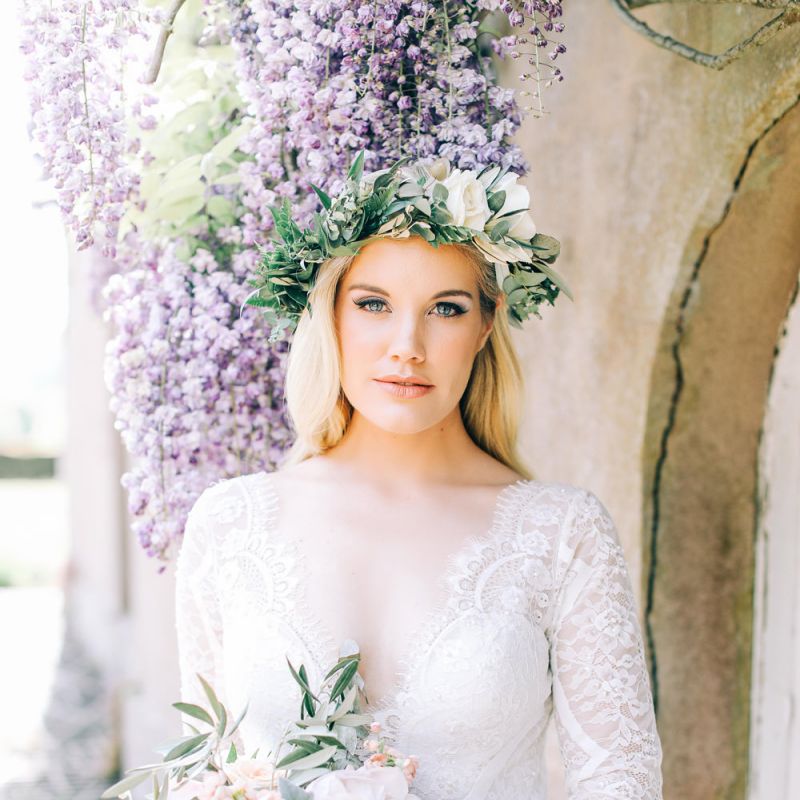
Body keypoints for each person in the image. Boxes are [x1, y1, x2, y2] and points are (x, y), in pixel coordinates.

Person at [174, 153, 663, 799]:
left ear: (487, 325)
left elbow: (619, 781)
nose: (408, 343)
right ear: (331, 317)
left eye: (447, 309)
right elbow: (204, 768)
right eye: (374, 304)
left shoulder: (562, 532)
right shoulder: (230, 522)